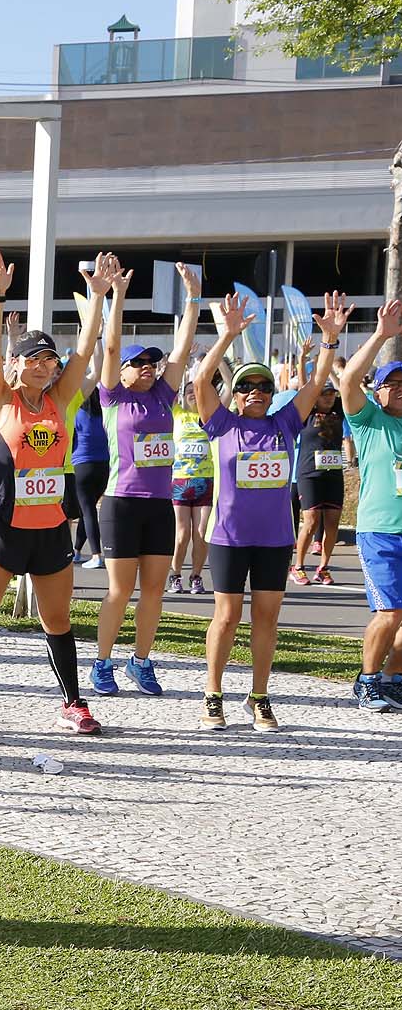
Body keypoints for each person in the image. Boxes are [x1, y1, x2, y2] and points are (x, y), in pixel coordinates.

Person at [0, 250, 115, 737]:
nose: (43, 366)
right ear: (17, 364)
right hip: (6, 528)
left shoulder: (60, 399)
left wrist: (97, 298)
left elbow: (88, 343)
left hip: (51, 528)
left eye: (49, 359)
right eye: (34, 358)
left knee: (58, 619)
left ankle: (73, 704)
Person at [195, 291, 338, 732]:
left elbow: (315, 387)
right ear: (234, 396)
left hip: (276, 539)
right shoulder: (222, 423)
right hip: (229, 537)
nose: (255, 392)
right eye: (245, 387)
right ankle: (213, 694)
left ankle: (259, 697)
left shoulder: (284, 424)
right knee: (226, 616)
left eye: (262, 387)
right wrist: (227, 336)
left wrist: (329, 342)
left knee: (266, 616)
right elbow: (201, 382)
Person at [91, 262, 202, 696]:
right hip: (121, 501)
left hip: (160, 503)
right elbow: (112, 344)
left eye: (151, 364)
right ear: (122, 371)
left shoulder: (162, 395)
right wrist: (116, 295)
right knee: (119, 591)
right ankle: (101, 663)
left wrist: (193, 297)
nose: (149, 369)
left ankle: (139, 661)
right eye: (139, 364)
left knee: (153, 591)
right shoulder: (112, 395)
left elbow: (183, 347)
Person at [339, 302, 402, 711]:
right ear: (377, 391)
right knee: (390, 613)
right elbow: (346, 381)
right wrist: (381, 335)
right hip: (379, 531)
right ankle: (366, 680)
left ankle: (393, 679)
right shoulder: (369, 422)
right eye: (391, 383)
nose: (399, 388)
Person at [291, 380, 350, 586]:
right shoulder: (306, 414)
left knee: (332, 522)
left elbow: (348, 388)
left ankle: (323, 568)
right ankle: (298, 566)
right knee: (312, 521)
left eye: (331, 394)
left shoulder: (338, 412)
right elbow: (302, 393)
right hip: (309, 474)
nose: (329, 397)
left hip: (333, 474)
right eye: (324, 393)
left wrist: (336, 376)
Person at [169, 371, 214, 594]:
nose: (193, 396)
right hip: (180, 482)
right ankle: (175, 574)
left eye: (196, 392)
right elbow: (168, 388)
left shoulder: (210, 416)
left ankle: (196, 576)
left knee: (201, 532)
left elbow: (224, 386)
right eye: (189, 392)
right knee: (182, 533)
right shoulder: (176, 414)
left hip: (205, 482)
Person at [71, 385, 110, 569]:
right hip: (103, 466)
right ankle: (77, 550)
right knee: (88, 510)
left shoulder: (77, 414)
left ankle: (96, 554)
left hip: (82, 464)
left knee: (87, 511)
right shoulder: (103, 415)